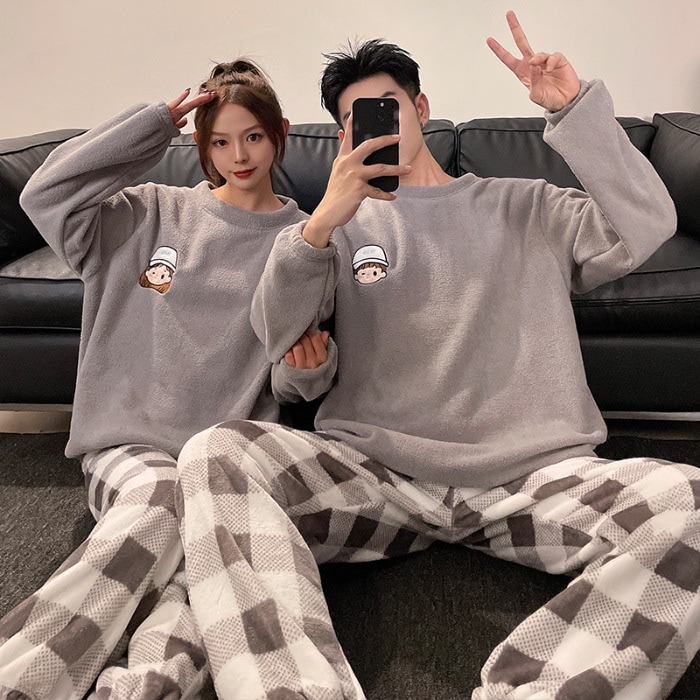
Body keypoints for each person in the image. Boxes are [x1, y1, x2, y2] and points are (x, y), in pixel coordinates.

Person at [175, 12, 700, 700]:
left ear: (421, 108)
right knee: (214, 453)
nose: (378, 124)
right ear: (342, 137)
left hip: (530, 480)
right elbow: (277, 335)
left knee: (693, 508)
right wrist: (323, 220)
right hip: (379, 480)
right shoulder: (333, 227)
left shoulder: (527, 206)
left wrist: (573, 111)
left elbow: (648, 223)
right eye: (356, 118)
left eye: (388, 106)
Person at [0, 60, 331, 699]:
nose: (239, 156)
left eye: (253, 137)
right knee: (159, 499)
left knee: (193, 579)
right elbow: (43, 195)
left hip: (224, 466)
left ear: (281, 134)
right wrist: (151, 126)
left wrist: (307, 372)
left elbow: (294, 387)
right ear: (199, 142)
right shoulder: (144, 212)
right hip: (129, 449)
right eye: (220, 141)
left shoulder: (306, 243)